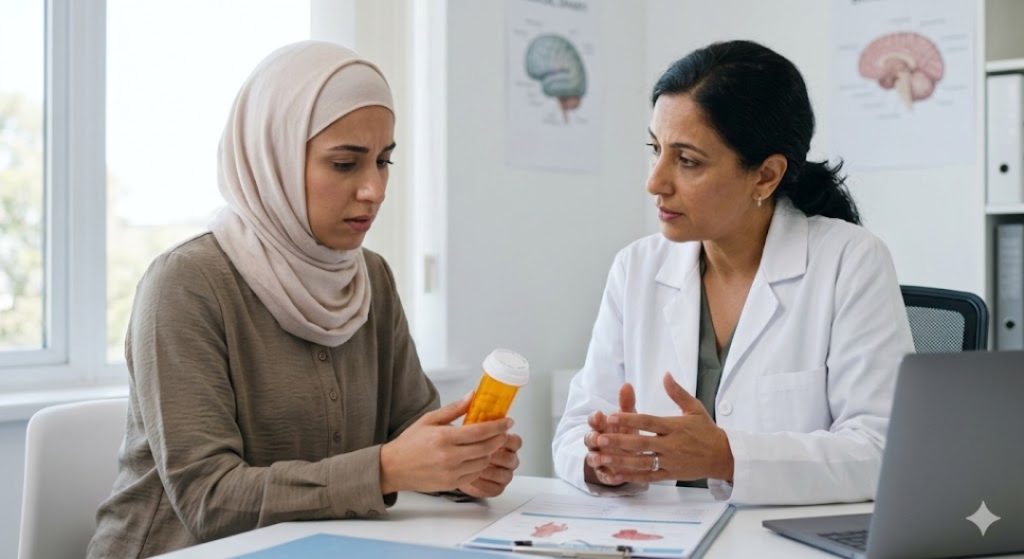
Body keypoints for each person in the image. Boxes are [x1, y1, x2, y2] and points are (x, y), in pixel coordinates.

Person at [88, 41, 521, 558]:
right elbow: (209, 500)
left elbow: (410, 429)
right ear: (273, 158)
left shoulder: (370, 278)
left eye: (383, 161)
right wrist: (387, 469)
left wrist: (462, 466)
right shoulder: (186, 283)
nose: (374, 189)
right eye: (344, 164)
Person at [551, 40, 914, 505]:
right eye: (655, 148)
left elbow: (882, 451)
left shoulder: (849, 261)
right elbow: (574, 429)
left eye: (687, 161)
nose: (655, 182)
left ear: (765, 176)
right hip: (658, 538)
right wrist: (600, 460)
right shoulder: (636, 268)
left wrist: (726, 456)